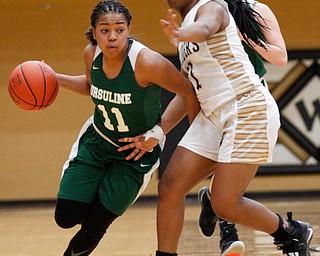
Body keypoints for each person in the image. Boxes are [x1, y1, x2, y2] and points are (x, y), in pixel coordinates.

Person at [118, 0, 313, 255]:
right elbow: (186, 90)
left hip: (245, 106)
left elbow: (207, 27)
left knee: (225, 204)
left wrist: (181, 34)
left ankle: (290, 231)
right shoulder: (186, 33)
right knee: (169, 185)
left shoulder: (212, 6)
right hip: (213, 114)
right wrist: (158, 130)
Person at [53, 1, 199, 255]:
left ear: (128, 31)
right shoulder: (91, 53)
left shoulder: (147, 62)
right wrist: (53, 78)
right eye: (105, 30)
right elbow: (90, 86)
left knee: (94, 227)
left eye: (119, 29)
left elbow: (188, 92)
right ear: (94, 31)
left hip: (136, 153)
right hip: (97, 141)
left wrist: (158, 132)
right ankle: (96, 191)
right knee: (66, 217)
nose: (112, 36)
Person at [197, 0, 288, 255]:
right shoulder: (202, 12)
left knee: (232, 169)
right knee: (216, 168)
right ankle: (212, 202)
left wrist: (242, 36)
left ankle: (228, 233)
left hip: (247, 100)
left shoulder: (256, 9)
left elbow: (280, 57)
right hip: (213, 99)